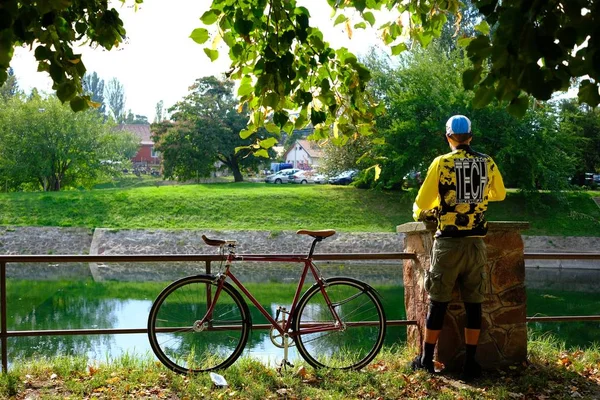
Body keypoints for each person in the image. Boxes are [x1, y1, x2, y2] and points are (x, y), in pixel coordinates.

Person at [411, 115, 506, 381]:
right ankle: (471, 364)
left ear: (448, 137)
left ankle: (426, 361)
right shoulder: (486, 162)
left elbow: (422, 200)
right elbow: (499, 194)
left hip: (448, 244)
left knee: (438, 302)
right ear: (471, 137)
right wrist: (478, 194)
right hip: (476, 243)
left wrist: (422, 211)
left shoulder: (442, 163)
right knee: (474, 304)